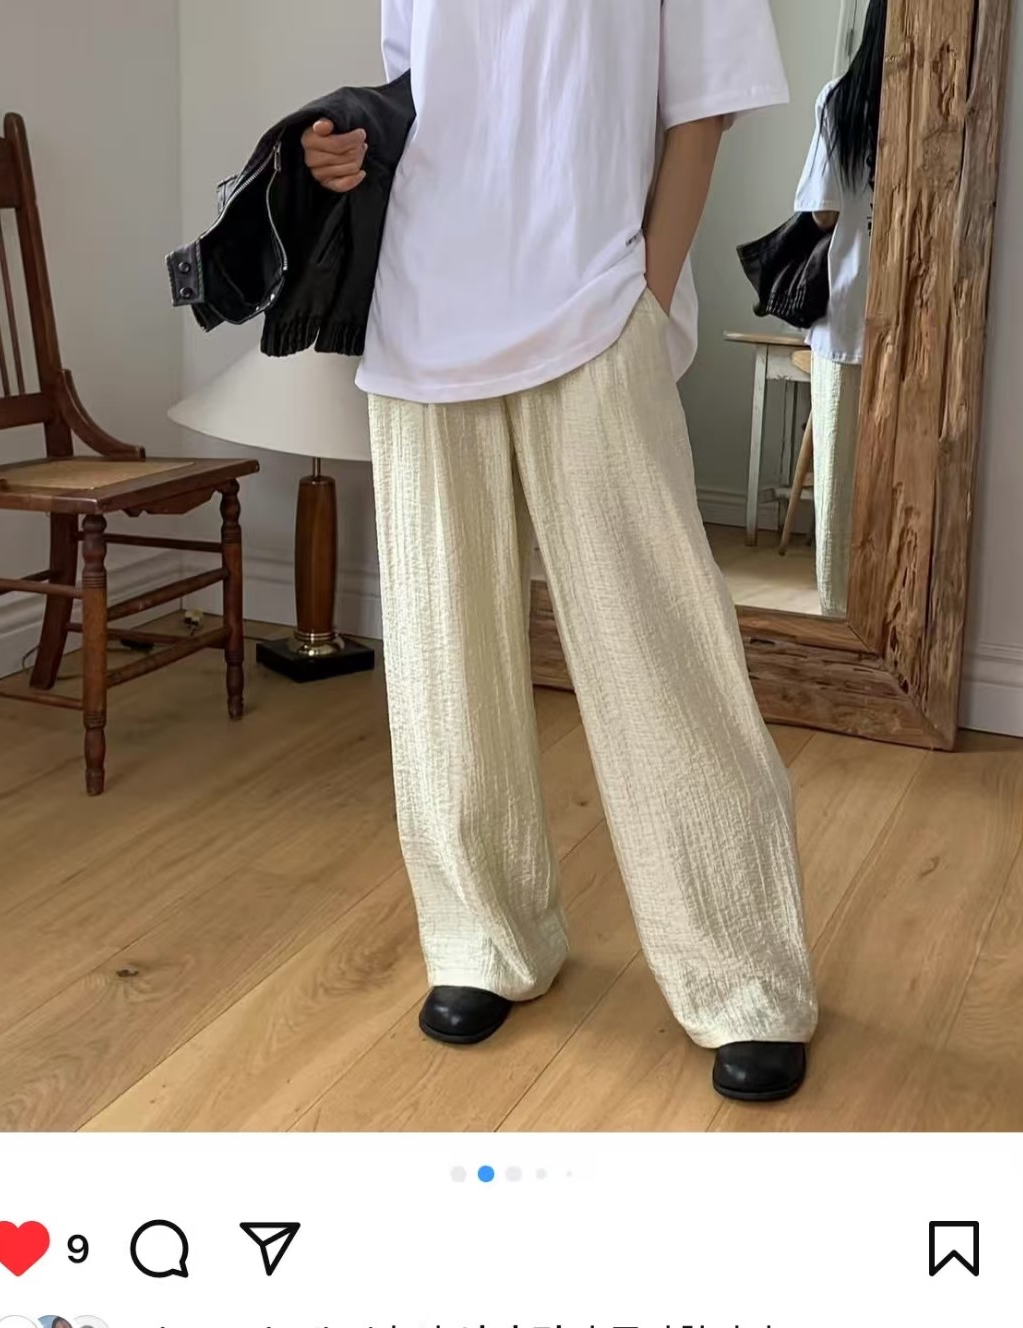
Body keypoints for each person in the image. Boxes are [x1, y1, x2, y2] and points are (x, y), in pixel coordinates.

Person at [303, 0, 819, 1103]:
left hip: (593, 304)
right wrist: (341, 150)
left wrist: (647, 298)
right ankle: (482, 936)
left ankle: (743, 973)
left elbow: (705, 107)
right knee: (444, 656)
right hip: (423, 310)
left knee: (661, 652)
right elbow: (421, 98)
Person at [796, 0, 887, 618]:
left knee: (837, 476)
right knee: (895, 472)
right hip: (915, 316)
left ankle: (836, 609)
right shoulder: (932, 101)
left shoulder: (840, 99)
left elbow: (822, 212)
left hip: (848, 311)